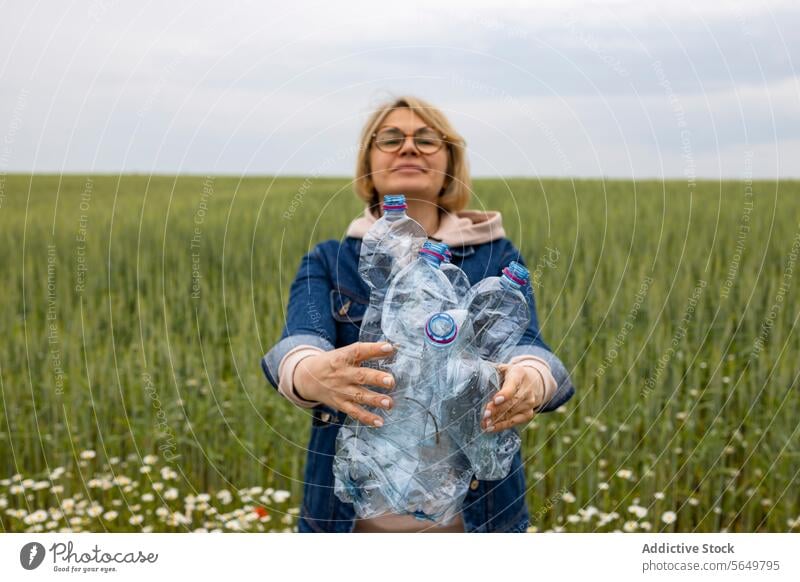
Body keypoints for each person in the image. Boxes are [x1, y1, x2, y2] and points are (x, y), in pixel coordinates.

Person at [261, 95, 575, 533]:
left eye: (427, 139)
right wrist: (312, 373)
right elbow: (297, 344)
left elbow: (528, 348)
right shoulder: (332, 259)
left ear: (450, 161)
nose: (409, 147)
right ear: (368, 161)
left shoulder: (494, 256)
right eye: (390, 138)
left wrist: (531, 380)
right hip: (351, 524)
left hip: (475, 522)